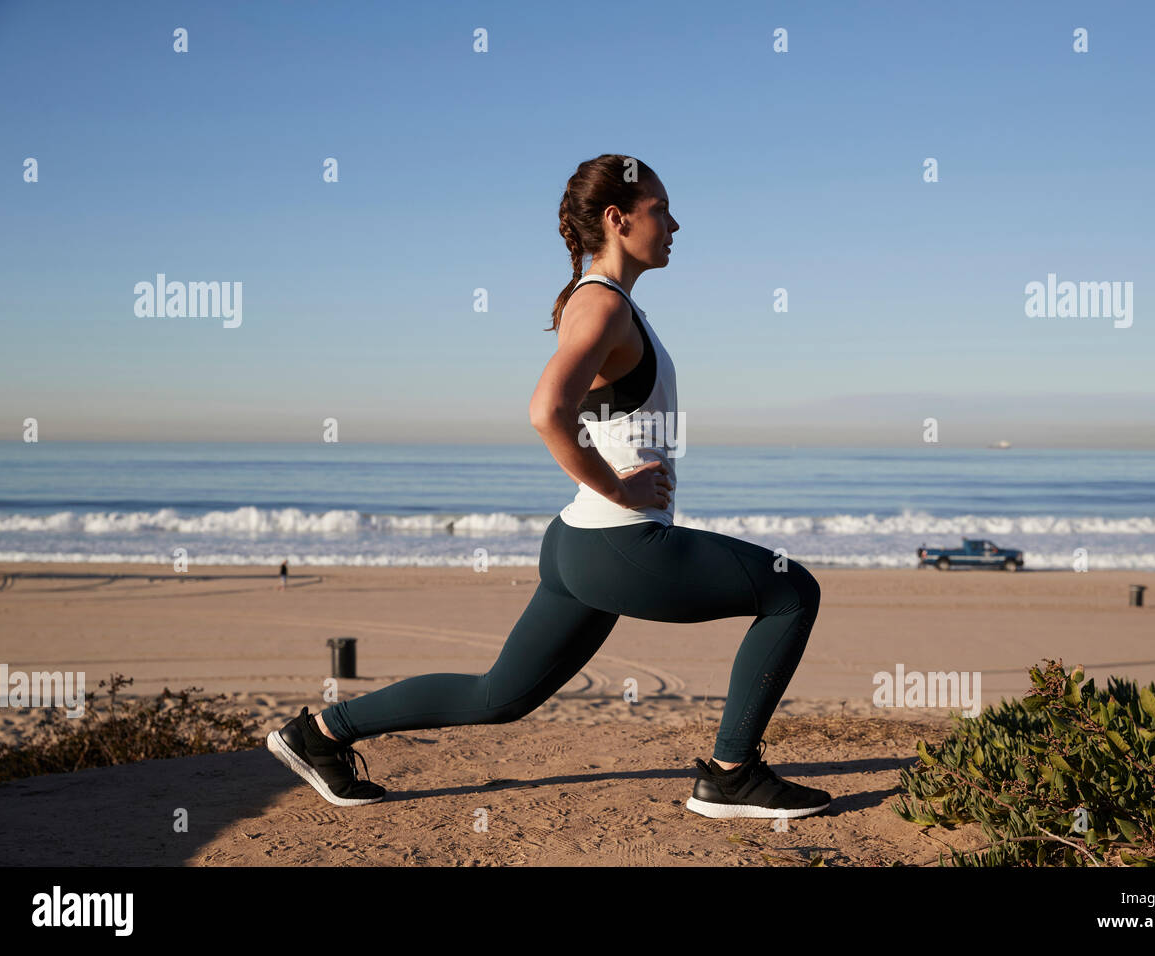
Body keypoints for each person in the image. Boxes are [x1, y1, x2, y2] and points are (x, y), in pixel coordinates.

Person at [267, 154, 829, 819]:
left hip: (578, 546)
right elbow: (545, 410)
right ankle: (733, 775)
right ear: (619, 220)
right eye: (661, 210)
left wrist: (611, 488)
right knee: (792, 591)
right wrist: (619, 490)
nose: (676, 224)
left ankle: (321, 734)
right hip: (619, 543)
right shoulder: (601, 306)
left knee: (497, 697)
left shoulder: (605, 303)